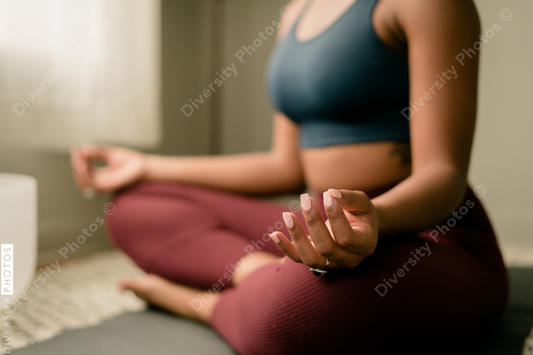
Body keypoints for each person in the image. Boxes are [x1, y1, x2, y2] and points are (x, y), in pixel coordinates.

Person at [70, 0, 509, 353]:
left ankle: (205, 305)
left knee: (292, 315)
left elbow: (443, 175)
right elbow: (286, 166)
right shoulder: (294, 12)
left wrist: (374, 218)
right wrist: (148, 166)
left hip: (425, 234)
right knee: (133, 206)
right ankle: (258, 275)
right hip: (324, 227)